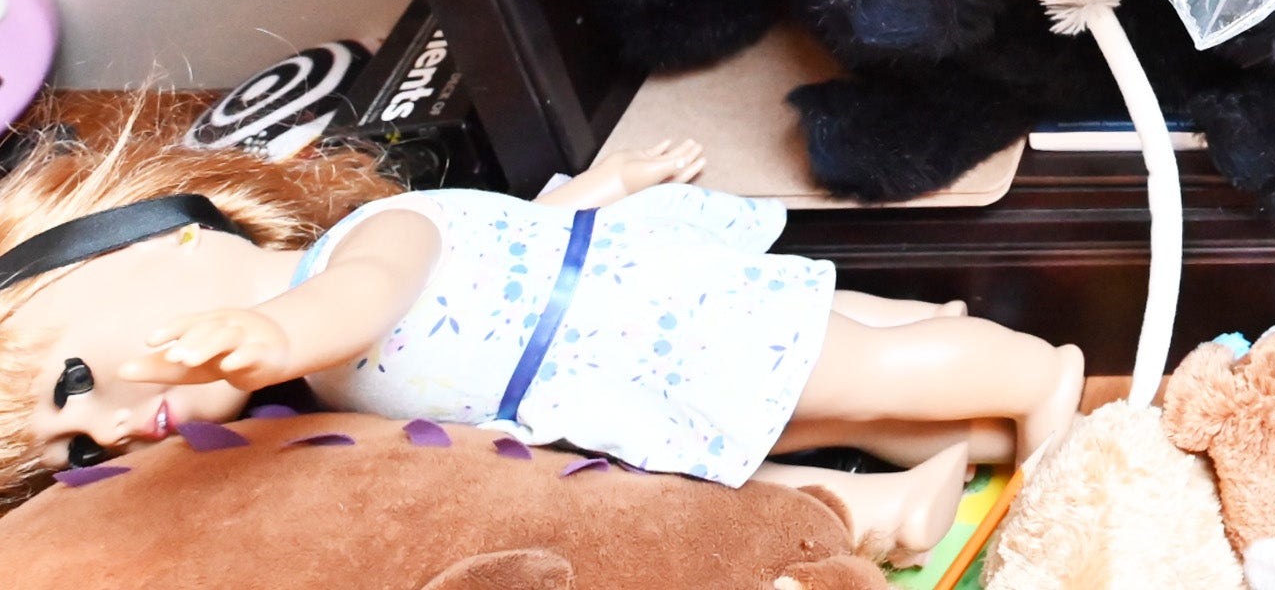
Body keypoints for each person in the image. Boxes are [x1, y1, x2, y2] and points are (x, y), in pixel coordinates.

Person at [0, 105, 1080, 562]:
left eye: (75, 380)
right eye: (79, 450)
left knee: (861, 370)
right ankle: (960, 446)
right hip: (600, 391)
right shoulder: (309, 400)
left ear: (157, 244)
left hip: (654, 330)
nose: (109, 429)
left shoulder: (358, 250)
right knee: (791, 434)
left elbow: (369, 299)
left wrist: (275, 331)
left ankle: (1035, 380)